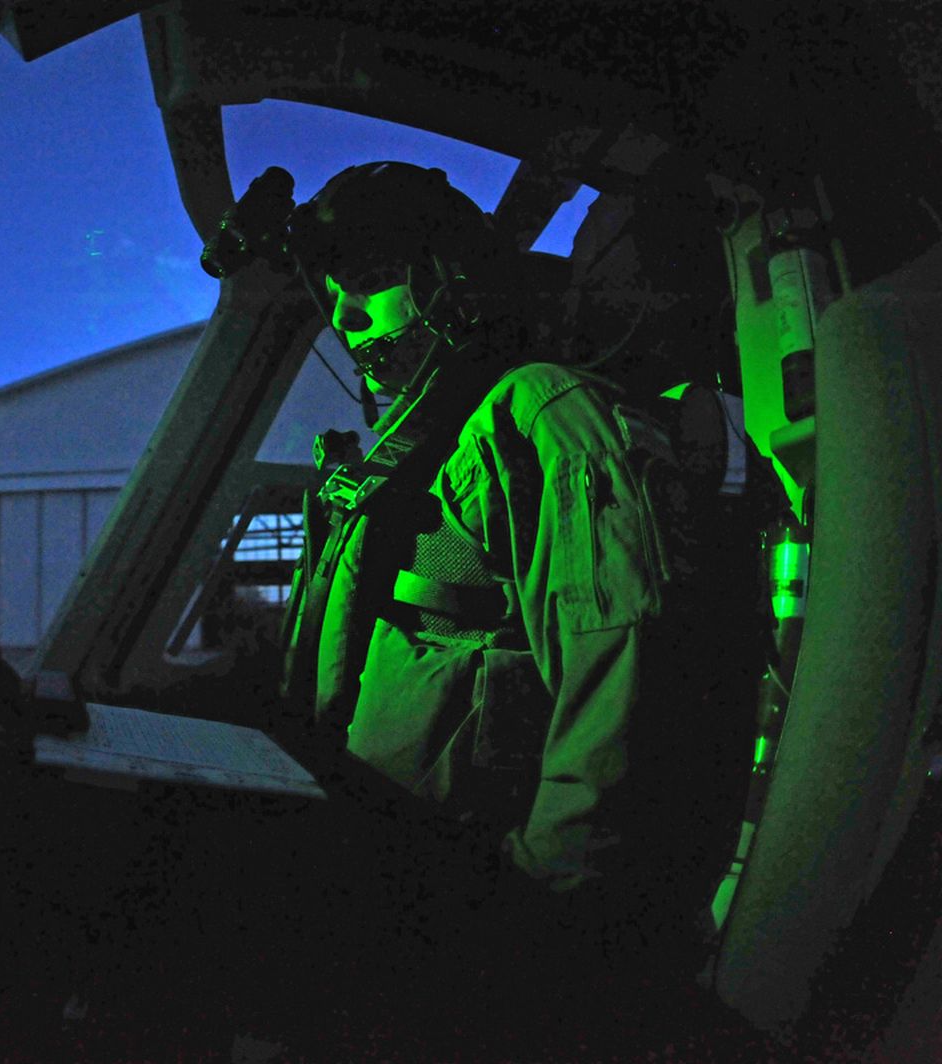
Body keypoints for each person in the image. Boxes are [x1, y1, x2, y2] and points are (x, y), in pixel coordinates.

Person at [259, 161, 782, 975]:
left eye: (369, 279)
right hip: (408, 874)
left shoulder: (541, 416)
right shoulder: (432, 450)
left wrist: (539, 923)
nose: (346, 316)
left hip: (492, 924)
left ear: (451, 279)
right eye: (333, 294)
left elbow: (630, 675)